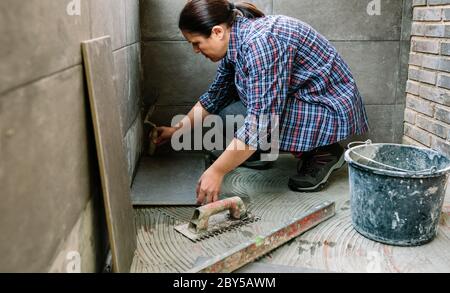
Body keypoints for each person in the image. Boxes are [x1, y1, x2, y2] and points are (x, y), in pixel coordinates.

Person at [154, 0, 369, 205]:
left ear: (217, 32)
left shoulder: (261, 44)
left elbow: (262, 123)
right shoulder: (236, 43)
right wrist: (176, 130)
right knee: (228, 114)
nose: (196, 50)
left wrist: (217, 171)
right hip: (304, 101)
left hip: (327, 106)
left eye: (197, 43)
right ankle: (263, 151)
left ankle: (324, 152)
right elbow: (215, 96)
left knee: (257, 123)